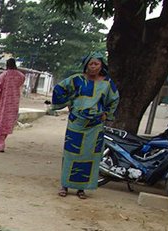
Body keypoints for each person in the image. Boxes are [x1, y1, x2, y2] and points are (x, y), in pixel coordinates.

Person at [50, 51, 119, 199]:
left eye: (96, 64)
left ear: (102, 66)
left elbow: (114, 100)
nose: (93, 67)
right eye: (91, 64)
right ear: (86, 65)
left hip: (95, 126)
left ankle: (82, 189)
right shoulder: (76, 80)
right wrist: (68, 102)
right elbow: (59, 89)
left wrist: (107, 114)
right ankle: (65, 185)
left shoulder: (107, 84)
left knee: (90, 157)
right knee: (71, 154)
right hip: (77, 123)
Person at [0, 58, 25, 153]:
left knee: (1, 122)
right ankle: (1, 142)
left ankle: (1, 144)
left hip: (3, 103)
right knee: (8, 123)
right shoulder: (21, 76)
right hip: (14, 102)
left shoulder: (3, 75)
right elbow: (20, 84)